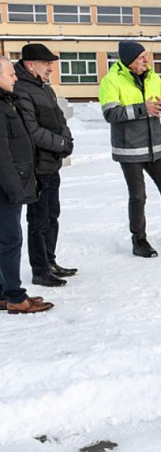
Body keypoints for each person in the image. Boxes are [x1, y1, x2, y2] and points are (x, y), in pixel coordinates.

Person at [98, 41, 161, 257]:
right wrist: (143, 109)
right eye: (141, 57)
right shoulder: (111, 81)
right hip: (130, 149)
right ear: (130, 61)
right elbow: (111, 114)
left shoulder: (153, 76)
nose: (146, 60)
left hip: (155, 148)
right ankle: (139, 241)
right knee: (138, 196)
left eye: (146, 56)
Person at [13, 44, 76, 288]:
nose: (51, 68)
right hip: (36, 166)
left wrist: (66, 140)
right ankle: (40, 270)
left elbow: (60, 120)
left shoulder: (45, 89)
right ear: (31, 65)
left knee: (52, 215)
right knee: (38, 220)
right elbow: (31, 130)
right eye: (46, 63)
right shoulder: (20, 89)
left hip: (51, 164)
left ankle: (50, 261)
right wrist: (60, 144)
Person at [0, 56, 54, 314]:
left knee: (5, 241)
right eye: (10, 74)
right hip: (6, 189)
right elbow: (2, 155)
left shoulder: (6, 101)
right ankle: (15, 297)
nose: (15, 77)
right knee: (10, 242)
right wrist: (15, 190)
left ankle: (4, 292)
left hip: (10, 185)